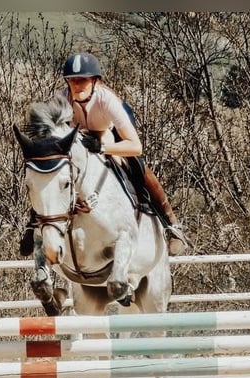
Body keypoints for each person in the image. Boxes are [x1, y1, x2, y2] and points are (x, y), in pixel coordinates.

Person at [20, 51, 188, 258]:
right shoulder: (61, 100)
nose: (76, 85)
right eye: (72, 81)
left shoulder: (106, 99)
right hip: (79, 138)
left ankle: (171, 224)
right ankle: (33, 223)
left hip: (108, 132)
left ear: (95, 81)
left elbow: (135, 146)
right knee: (51, 174)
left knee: (137, 164)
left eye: (82, 80)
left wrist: (102, 148)